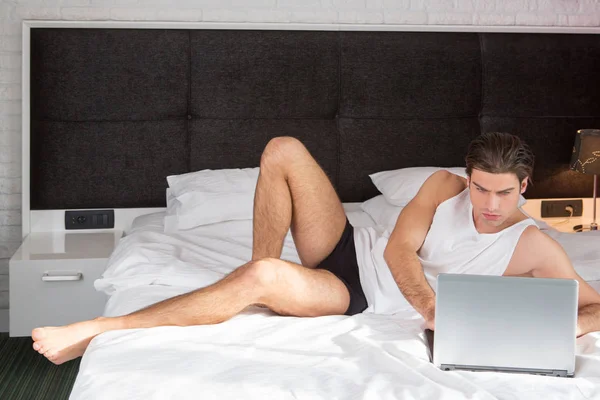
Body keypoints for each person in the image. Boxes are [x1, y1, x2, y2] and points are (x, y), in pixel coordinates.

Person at [32, 133, 600, 365]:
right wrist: (432, 309)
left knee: (260, 279)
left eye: (503, 193)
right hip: (353, 245)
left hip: (350, 293)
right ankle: (261, 267)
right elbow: (402, 251)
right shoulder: (442, 186)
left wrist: (560, 327)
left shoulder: (535, 247)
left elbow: (594, 308)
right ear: (468, 176)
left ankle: (102, 329)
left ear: (525, 188)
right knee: (282, 149)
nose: (489, 203)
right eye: (481, 187)